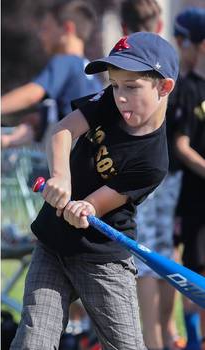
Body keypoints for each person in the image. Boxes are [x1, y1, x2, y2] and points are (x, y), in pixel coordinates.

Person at [11, 32, 179, 349]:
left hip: (102, 258)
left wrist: (84, 208)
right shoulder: (109, 103)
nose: (120, 96)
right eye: (115, 85)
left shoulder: (153, 162)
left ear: (163, 87)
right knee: (33, 341)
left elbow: (95, 205)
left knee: (125, 345)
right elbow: (63, 130)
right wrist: (60, 176)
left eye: (131, 86)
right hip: (52, 244)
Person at [117, 2, 185, 350]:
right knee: (164, 255)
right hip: (172, 176)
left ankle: (155, 340)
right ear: (159, 21)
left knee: (145, 258)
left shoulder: (128, 66)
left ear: (123, 26)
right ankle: (167, 334)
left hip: (146, 172)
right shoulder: (173, 63)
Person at [1, 0, 101, 148]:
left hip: (74, 157)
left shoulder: (65, 61)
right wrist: (40, 119)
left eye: (46, 29)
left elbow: (33, 94)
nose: (41, 36)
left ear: (67, 28)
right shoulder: (89, 71)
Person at [173, 8, 205, 350]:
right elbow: (181, 145)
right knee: (195, 273)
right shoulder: (187, 89)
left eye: (182, 40)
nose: (179, 46)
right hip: (195, 198)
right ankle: (195, 340)